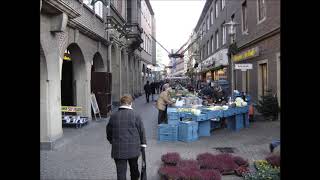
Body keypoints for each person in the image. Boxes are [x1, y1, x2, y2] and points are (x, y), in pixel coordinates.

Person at [106, 95, 147, 180]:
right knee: (134, 170)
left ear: (121, 103)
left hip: (118, 149)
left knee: (120, 173)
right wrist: (143, 144)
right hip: (133, 149)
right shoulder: (136, 115)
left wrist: (113, 141)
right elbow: (141, 131)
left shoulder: (113, 116)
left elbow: (109, 132)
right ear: (130, 103)